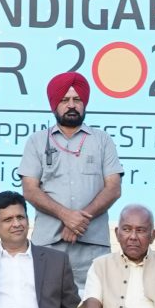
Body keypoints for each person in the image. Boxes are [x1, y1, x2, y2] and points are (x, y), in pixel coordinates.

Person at [19, 72, 123, 277]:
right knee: (46, 297)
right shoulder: (36, 141)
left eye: (77, 100)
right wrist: (66, 216)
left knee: (94, 297)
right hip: (49, 244)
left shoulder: (102, 140)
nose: (72, 105)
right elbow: (30, 190)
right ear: (54, 105)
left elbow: (113, 188)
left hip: (93, 245)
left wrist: (78, 222)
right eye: (64, 100)